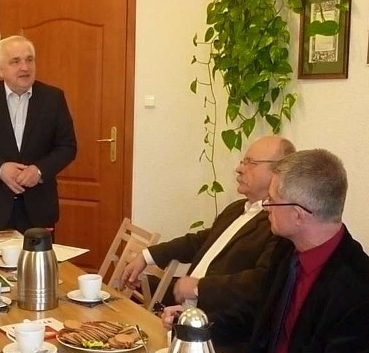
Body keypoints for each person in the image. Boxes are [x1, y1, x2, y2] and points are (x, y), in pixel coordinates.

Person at [162, 149, 369, 353]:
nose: (266, 207)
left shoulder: (357, 288)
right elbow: (254, 314)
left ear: (298, 215)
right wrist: (198, 325)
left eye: (272, 200)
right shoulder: (287, 250)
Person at [121, 135, 296, 315]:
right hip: (184, 303)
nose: (239, 169)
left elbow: (258, 283)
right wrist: (146, 255)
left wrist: (199, 288)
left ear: (278, 171)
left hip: (216, 319)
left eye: (250, 163)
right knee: (125, 292)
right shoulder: (236, 208)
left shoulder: (277, 225)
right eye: (243, 161)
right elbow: (200, 241)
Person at [0, 35, 77, 233]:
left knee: (37, 264)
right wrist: (0, 169)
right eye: (15, 61)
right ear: (0, 70)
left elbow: (67, 147)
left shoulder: (53, 98)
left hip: (39, 208)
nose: (25, 67)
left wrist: (39, 170)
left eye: (29, 60)